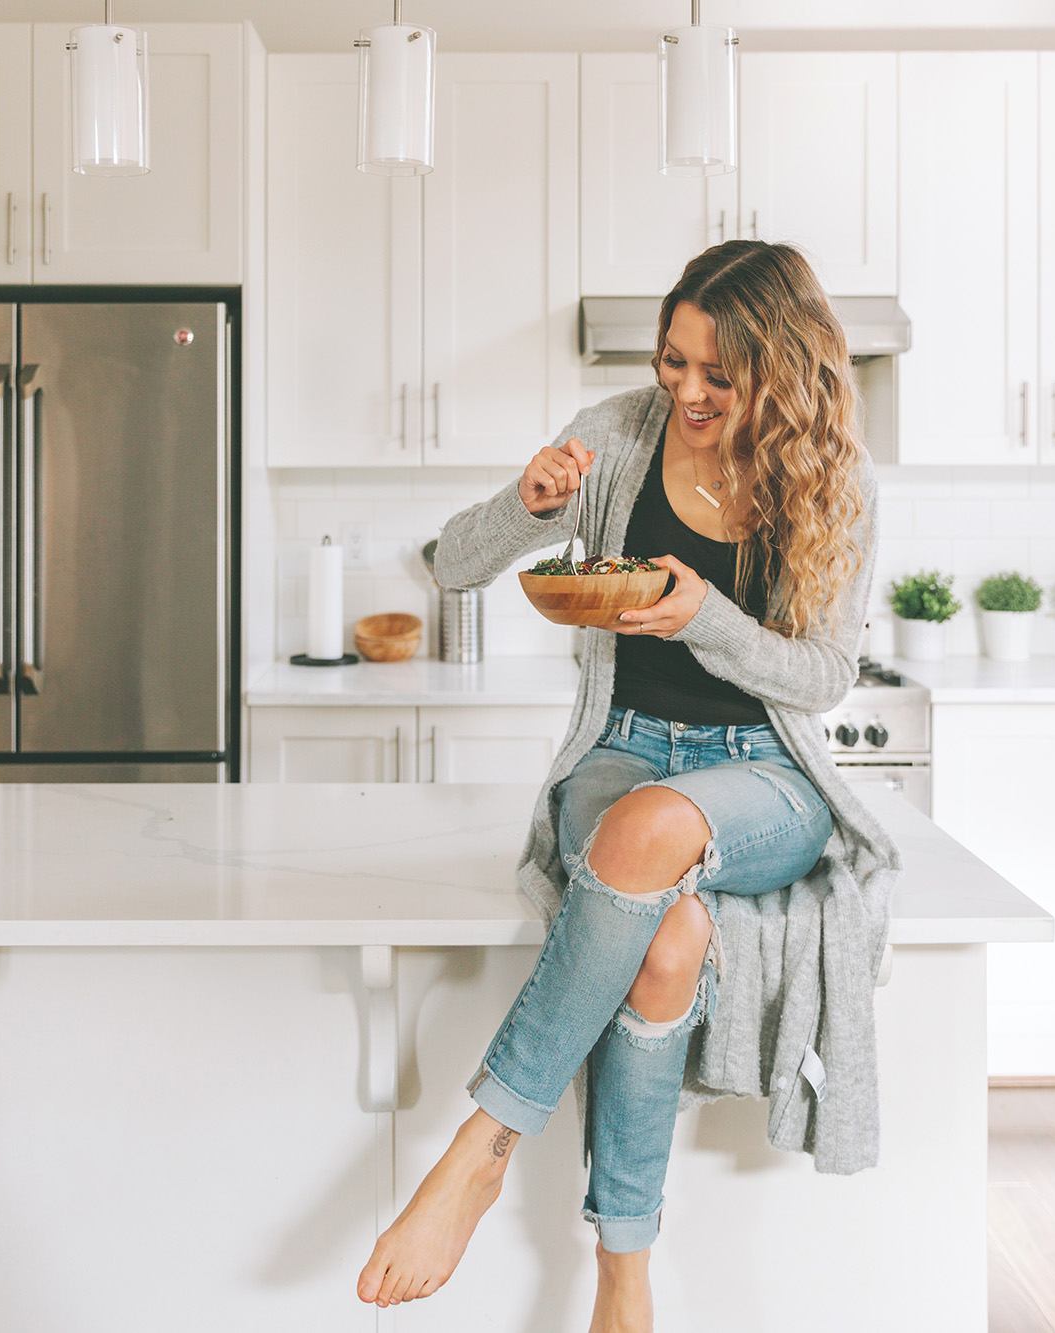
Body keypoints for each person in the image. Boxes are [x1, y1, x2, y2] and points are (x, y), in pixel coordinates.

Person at [356, 240, 894, 1332]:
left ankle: (480, 1144)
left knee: (652, 827)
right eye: (670, 361)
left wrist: (706, 617)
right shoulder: (615, 436)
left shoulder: (834, 478)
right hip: (620, 745)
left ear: (778, 372)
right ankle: (624, 1271)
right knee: (667, 943)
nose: (684, 392)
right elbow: (452, 563)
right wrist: (526, 499)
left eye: (716, 374)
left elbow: (824, 675)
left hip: (765, 779)